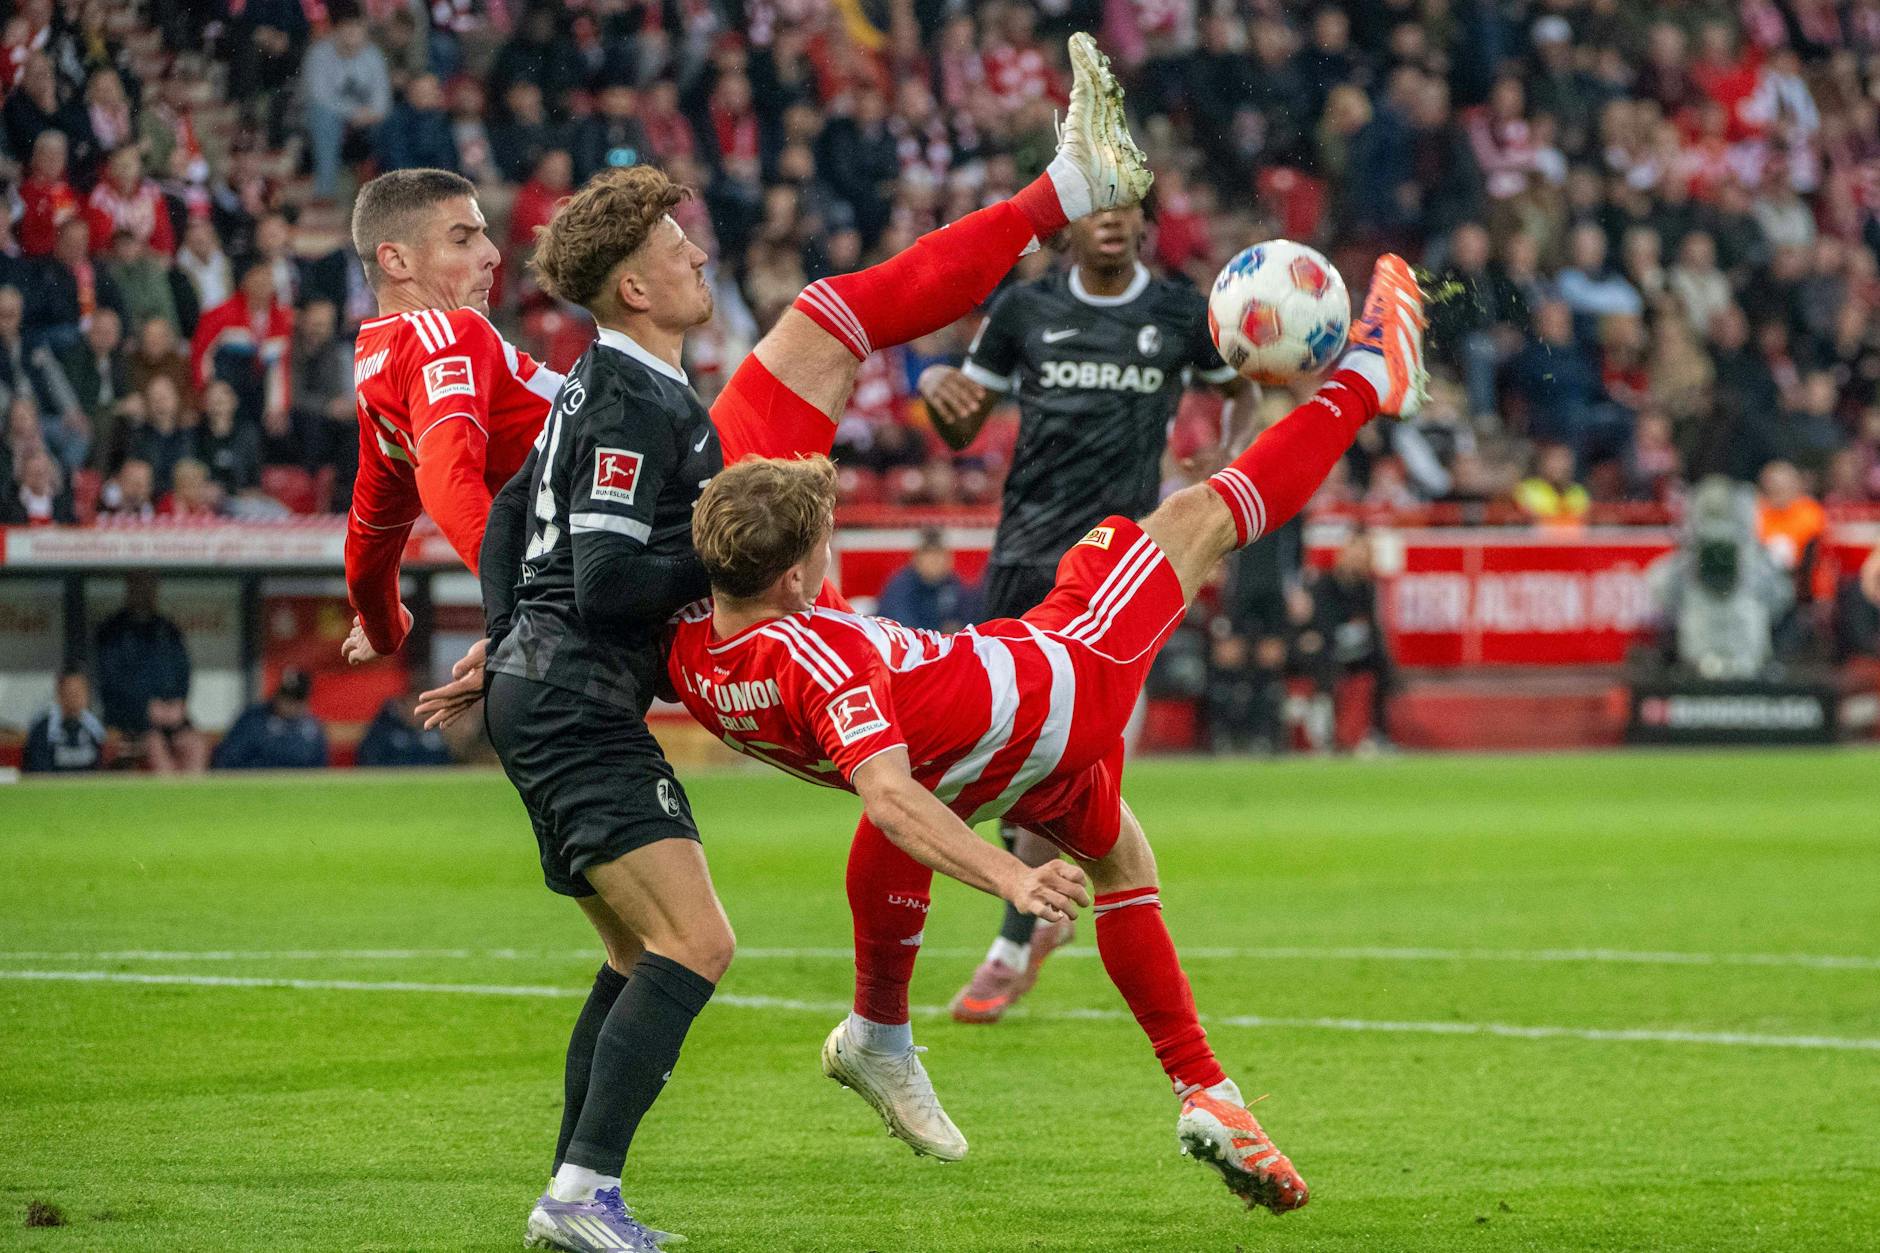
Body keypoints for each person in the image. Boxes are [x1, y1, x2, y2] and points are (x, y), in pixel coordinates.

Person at [424, 35, 1151, 1253]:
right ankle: (586, 1183)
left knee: (637, 952)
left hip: (560, 687)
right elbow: (603, 575)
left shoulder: (604, 389)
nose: (697, 254)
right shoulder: (620, 398)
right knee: (695, 941)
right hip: (591, 697)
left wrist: (507, 634)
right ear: (637, 289)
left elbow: (510, 523)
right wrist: (731, 575)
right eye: (675, 249)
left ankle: (579, 1185)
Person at [662, 252, 1428, 1217]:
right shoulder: (822, 658)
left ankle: (1205, 1092)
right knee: (1198, 516)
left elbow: (897, 781)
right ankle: (1367, 378)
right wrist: (1013, 880)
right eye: (823, 543)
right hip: (1062, 673)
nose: (830, 550)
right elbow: (890, 798)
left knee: (1121, 859)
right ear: (791, 584)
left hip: (1003, 762)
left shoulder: (691, 655)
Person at [916, 199, 1249, 1023]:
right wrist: (934, 388)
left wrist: (1227, 453)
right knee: (994, 763)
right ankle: (1030, 896)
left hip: (1117, 566)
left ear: (1144, 224)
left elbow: (1240, 387)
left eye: (1127, 208)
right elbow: (960, 423)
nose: (1112, 221)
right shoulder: (1025, 309)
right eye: (1095, 208)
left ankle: (1010, 939)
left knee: (1076, 758)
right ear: (1066, 227)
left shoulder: (1177, 309)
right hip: (1023, 560)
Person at [93, 573, 207, 773]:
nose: (145, 593)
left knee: (195, 745)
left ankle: (190, 801)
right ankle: (168, 801)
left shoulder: (167, 629)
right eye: (139, 587)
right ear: (128, 589)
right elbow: (110, 681)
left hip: (172, 718)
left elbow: (183, 672)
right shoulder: (112, 630)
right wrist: (145, 707)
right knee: (154, 746)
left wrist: (178, 702)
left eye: (150, 587)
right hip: (129, 720)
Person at [211, 667, 328, 769]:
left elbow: (319, 768)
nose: (288, 704)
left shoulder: (312, 728)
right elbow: (228, 759)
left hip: (299, 789)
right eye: (285, 697)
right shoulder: (253, 719)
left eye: (295, 700)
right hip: (254, 786)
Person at [874, 527, 980, 632]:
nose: (935, 562)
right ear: (916, 558)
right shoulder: (900, 588)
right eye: (929, 556)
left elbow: (970, 621)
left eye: (939, 555)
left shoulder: (954, 585)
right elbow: (903, 630)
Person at [23, 669, 107, 773]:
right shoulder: (43, 730)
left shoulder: (95, 729)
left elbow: (100, 769)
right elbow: (37, 771)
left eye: (79, 693)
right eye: (70, 692)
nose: (75, 699)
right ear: (59, 695)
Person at [356, 685, 453, 767]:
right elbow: (369, 759)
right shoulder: (384, 730)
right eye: (413, 704)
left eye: (424, 705)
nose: (419, 710)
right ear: (403, 706)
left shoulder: (441, 730)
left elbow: (451, 762)